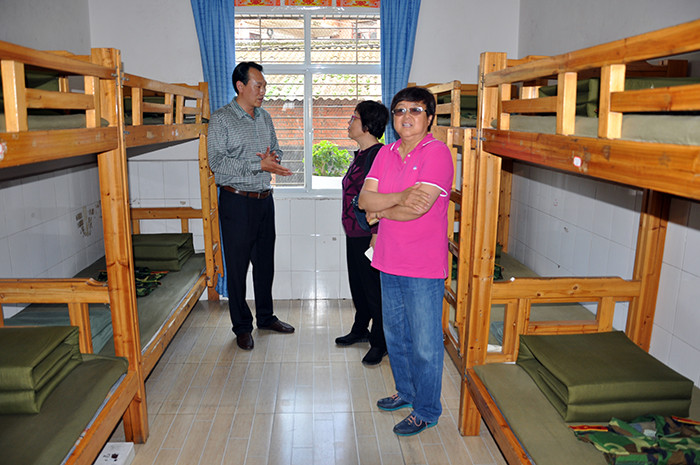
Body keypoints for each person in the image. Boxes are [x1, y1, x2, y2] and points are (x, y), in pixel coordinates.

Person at [358, 87, 454, 436]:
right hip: (388, 259)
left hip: (422, 265)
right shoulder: (385, 153)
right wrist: (396, 197)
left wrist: (381, 211)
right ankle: (407, 392)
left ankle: (427, 410)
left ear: (430, 118)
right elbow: (364, 200)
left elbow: (419, 207)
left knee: (425, 344)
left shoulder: (437, 153)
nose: (406, 116)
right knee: (396, 335)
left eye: (415, 110)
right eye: (400, 110)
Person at [208, 61, 295, 351]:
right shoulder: (221, 120)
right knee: (237, 268)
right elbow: (217, 163)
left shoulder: (264, 117)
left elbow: (276, 148)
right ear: (240, 86)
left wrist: (274, 158)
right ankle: (242, 327)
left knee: (265, 264)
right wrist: (258, 164)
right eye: (258, 85)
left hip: (264, 200)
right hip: (236, 201)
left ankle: (266, 317)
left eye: (264, 86)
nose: (263, 91)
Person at [336, 100, 390, 366]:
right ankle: (360, 329)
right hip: (354, 231)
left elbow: (380, 197)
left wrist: (376, 233)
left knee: (373, 289)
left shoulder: (380, 156)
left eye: (354, 118)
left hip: (370, 234)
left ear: (367, 125)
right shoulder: (361, 154)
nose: (349, 122)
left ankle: (380, 342)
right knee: (358, 285)